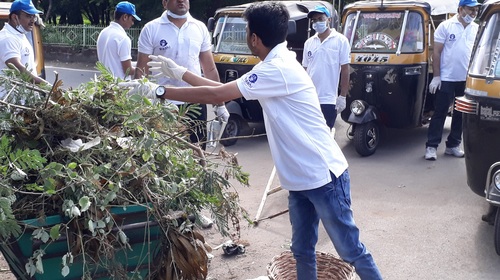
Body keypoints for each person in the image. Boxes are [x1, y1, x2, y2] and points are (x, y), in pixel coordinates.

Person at [123, 2, 383, 279]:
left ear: (254, 38)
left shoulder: (276, 69)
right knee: (302, 251)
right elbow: (226, 90)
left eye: (246, 31)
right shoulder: (274, 65)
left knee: (351, 251)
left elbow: (218, 96)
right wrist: (180, 73)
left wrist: (160, 90)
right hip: (299, 179)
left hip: (324, 177)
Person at [134, 0, 228, 148]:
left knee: (197, 150)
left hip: (196, 103)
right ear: (165, 2)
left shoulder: (199, 28)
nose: (181, 1)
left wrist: (220, 103)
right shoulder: (152, 29)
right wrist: (137, 105)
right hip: (163, 103)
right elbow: (141, 71)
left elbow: (209, 69)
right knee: (165, 152)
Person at [424, 0, 480, 160]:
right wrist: (436, 77)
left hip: (466, 79)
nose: (473, 14)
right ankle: (431, 146)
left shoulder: (476, 28)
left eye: (475, 10)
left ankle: (453, 144)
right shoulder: (446, 26)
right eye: (470, 10)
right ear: (461, 9)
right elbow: (437, 53)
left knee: (460, 113)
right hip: (447, 78)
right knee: (440, 112)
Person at [302, 5, 350, 130]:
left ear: (328, 19)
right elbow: (305, 70)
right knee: (309, 134)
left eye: (320, 18)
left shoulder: (341, 41)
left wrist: (342, 96)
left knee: (325, 135)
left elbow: (345, 69)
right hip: (310, 98)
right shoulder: (309, 43)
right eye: (314, 20)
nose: (317, 22)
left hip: (328, 99)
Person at [0, 0, 48, 85]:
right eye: (29, 16)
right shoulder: (7, 38)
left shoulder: (20, 35)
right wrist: (47, 86)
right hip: (10, 97)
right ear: (15, 17)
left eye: (34, 16)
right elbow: (18, 69)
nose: (33, 20)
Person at [96, 1, 141, 79]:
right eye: (132, 19)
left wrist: (140, 64)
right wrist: (143, 69)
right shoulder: (123, 38)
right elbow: (128, 70)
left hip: (105, 84)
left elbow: (117, 62)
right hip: (120, 87)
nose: (132, 23)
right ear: (125, 17)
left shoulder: (103, 33)